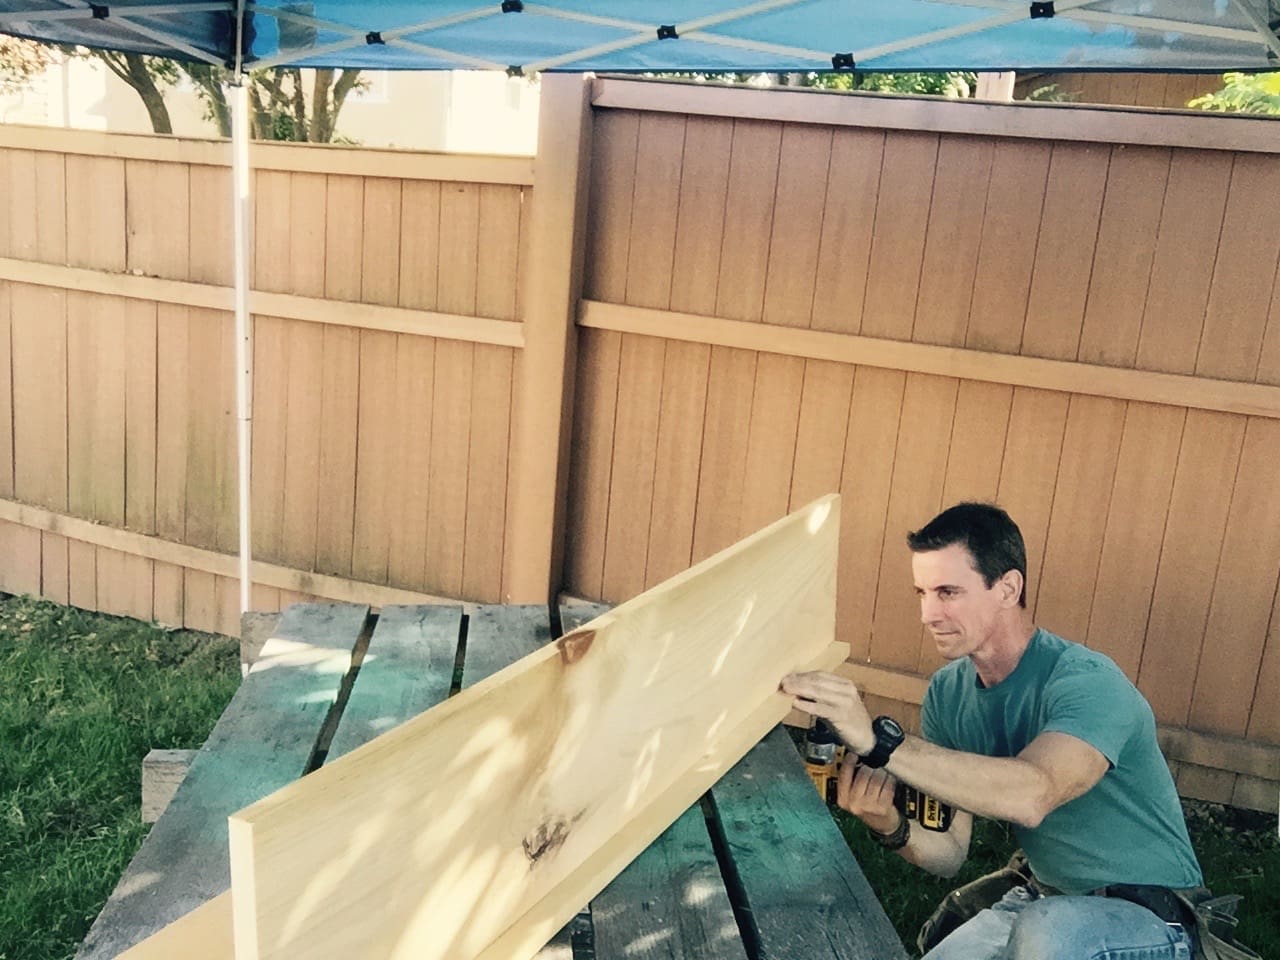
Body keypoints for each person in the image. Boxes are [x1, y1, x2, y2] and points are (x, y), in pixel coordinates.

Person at [782, 501, 1204, 960]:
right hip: (1045, 899)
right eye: (921, 593)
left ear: (1008, 588)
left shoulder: (1087, 682)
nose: (927, 614)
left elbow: (1032, 795)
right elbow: (949, 851)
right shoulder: (948, 693)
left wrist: (880, 741)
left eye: (947, 592)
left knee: (1049, 935)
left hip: (1153, 919)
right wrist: (889, 824)